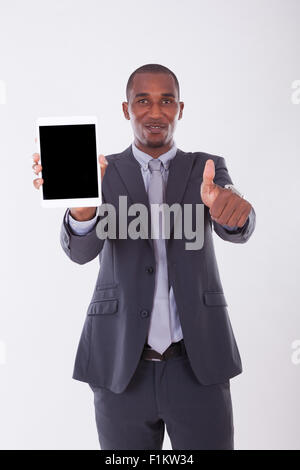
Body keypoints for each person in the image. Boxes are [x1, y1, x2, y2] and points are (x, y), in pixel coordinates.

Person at [32, 63, 256, 450]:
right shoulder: (103, 172)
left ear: (180, 109)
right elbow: (80, 253)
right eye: (143, 101)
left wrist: (229, 210)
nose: (155, 112)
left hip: (197, 365)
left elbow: (236, 219)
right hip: (121, 365)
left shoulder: (207, 167)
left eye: (166, 101)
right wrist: (84, 211)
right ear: (126, 109)